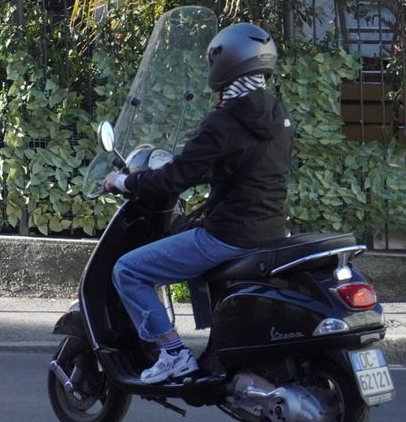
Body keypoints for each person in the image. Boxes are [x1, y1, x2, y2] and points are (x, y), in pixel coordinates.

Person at [103, 23, 293, 384]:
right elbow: (248, 167)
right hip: (271, 230)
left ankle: (172, 352)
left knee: (128, 270)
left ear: (225, 66)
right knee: (184, 229)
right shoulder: (277, 115)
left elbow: (172, 180)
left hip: (229, 235)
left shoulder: (222, 122)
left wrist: (125, 180)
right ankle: (216, 351)